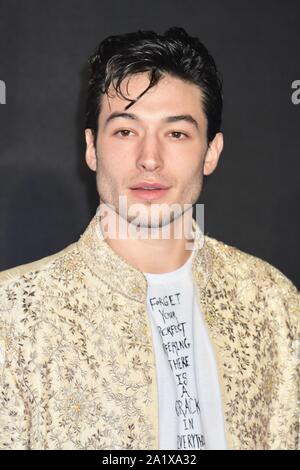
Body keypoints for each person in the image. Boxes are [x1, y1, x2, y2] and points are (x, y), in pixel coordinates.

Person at [0, 27, 299, 451]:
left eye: (176, 133)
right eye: (125, 131)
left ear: (211, 152)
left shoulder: (273, 303)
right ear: (91, 147)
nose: (150, 159)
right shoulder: (13, 316)